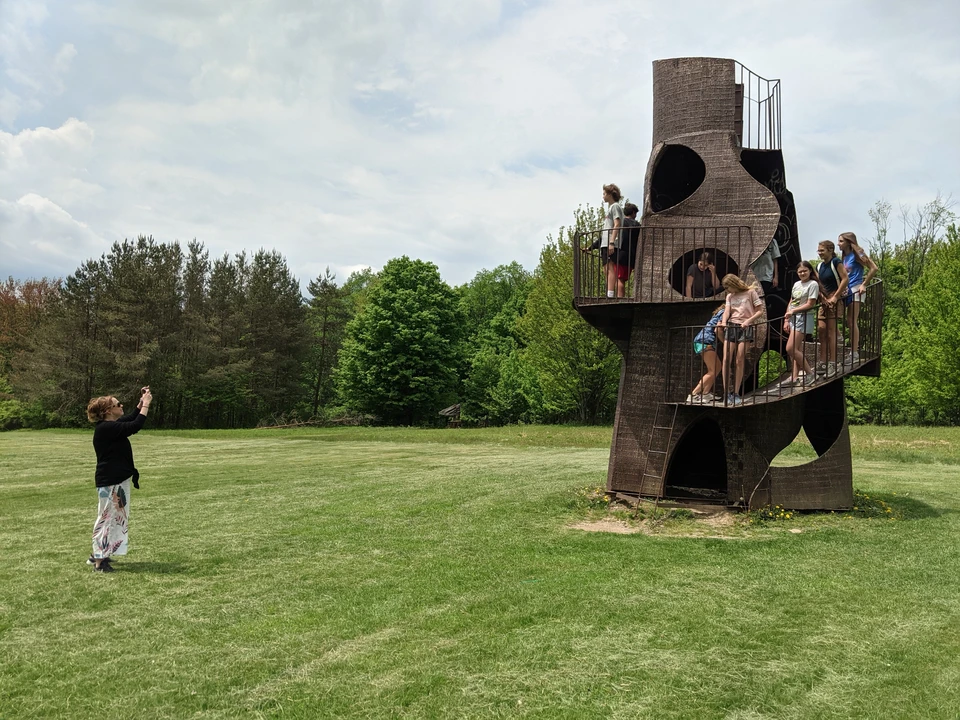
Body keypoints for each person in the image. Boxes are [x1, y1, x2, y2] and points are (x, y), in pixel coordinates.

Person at [86, 386, 152, 572]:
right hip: (110, 481)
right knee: (106, 519)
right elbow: (135, 426)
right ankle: (99, 561)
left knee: (115, 518)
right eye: (118, 404)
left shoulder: (110, 426)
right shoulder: (106, 428)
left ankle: (100, 553)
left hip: (117, 479)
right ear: (108, 411)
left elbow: (129, 419)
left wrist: (140, 405)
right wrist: (146, 405)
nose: (121, 405)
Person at [718, 274, 764, 406]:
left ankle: (736, 392)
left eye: (728, 287)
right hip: (731, 325)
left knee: (739, 359)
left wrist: (749, 321)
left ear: (734, 283)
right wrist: (724, 322)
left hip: (745, 326)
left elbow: (759, 311)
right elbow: (727, 311)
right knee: (726, 358)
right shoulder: (730, 296)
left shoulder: (750, 292)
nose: (728, 290)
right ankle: (727, 392)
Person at [838, 231, 878, 364]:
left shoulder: (857, 254)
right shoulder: (844, 256)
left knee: (851, 321)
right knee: (845, 320)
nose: (838, 244)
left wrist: (864, 284)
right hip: (846, 290)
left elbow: (873, 268)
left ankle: (854, 353)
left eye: (841, 241)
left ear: (849, 242)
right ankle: (845, 346)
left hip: (856, 288)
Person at [780, 262, 821, 388]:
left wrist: (793, 311)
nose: (802, 273)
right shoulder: (797, 284)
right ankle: (794, 377)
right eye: (800, 271)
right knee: (795, 349)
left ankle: (810, 373)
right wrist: (787, 318)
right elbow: (792, 301)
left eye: (805, 271)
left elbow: (810, 304)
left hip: (803, 318)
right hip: (793, 317)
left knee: (790, 348)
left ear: (810, 271)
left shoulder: (813, 284)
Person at [816, 240, 849, 377]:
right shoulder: (819, 266)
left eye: (822, 250)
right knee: (821, 330)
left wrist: (835, 296)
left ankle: (833, 362)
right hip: (824, 301)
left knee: (831, 332)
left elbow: (845, 279)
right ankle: (823, 361)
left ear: (830, 250)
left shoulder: (836, 263)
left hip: (834, 299)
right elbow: (818, 283)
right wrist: (822, 297)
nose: (819, 253)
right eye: (818, 250)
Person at [687, 305, 725, 403]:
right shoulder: (725, 312)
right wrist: (726, 343)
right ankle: (694, 394)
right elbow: (718, 329)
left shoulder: (720, 313)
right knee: (712, 370)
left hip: (704, 340)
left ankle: (706, 393)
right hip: (705, 341)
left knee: (718, 367)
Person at [615, 203, 641, 297]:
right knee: (624, 278)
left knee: (620, 279)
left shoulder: (621, 223)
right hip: (632, 256)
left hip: (621, 254)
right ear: (633, 213)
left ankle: (620, 298)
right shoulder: (637, 225)